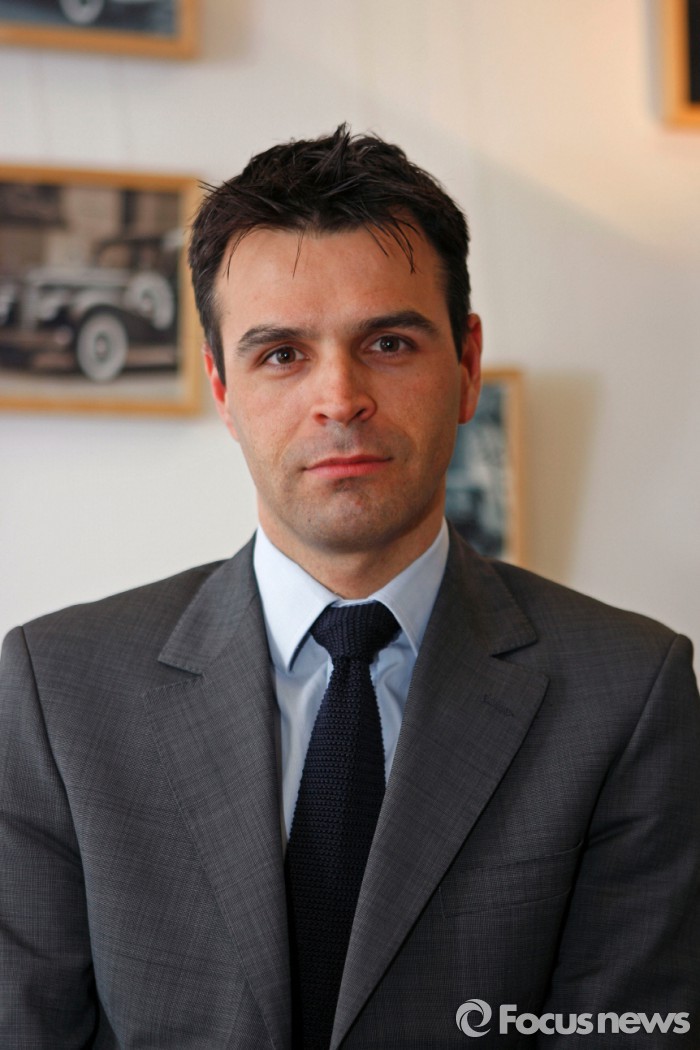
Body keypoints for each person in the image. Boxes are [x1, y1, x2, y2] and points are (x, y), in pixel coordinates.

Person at [1, 125, 699, 1050]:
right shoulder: (56, 689)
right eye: (281, 354)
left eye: (390, 341)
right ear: (221, 386)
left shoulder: (631, 690)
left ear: (467, 365)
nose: (340, 398)